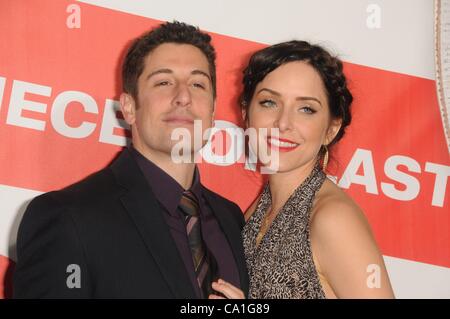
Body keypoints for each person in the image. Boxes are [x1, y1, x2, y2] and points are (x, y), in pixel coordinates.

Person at [13, 21, 249, 298]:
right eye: (164, 82)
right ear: (128, 107)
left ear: (212, 109)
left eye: (198, 84)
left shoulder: (231, 218)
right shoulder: (68, 217)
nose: (183, 96)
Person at [210, 40, 394, 299]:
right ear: (246, 112)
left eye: (306, 109)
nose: (283, 123)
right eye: (269, 102)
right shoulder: (260, 209)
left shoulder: (333, 219)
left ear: (331, 129)